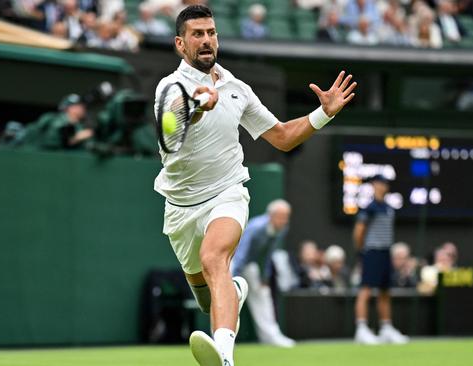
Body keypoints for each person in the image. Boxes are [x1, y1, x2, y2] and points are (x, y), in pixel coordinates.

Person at [153, 5, 356, 366]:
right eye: (197, 34)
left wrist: (323, 113)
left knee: (215, 259)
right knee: (207, 296)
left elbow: (281, 137)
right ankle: (233, 293)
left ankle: (225, 358)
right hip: (180, 208)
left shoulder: (238, 89)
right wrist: (198, 104)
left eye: (211, 33)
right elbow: (171, 127)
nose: (206, 40)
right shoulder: (170, 87)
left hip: (227, 192)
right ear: (180, 44)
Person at [230, 199, 295, 348]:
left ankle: (270, 336)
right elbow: (241, 253)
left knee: (263, 294)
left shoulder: (281, 230)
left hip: (250, 264)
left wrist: (264, 277)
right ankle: (223, 338)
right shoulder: (256, 227)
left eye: (286, 217)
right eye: (281, 217)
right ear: (271, 215)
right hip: (233, 261)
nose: (285, 220)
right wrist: (233, 277)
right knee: (230, 298)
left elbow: (267, 254)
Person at [352, 175, 408, 345]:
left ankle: (386, 328)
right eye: (379, 183)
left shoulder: (389, 208)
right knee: (366, 289)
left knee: (385, 291)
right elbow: (359, 232)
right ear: (374, 186)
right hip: (372, 252)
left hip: (385, 253)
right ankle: (361, 329)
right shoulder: (369, 208)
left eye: (384, 184)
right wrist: (362, 250)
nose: (382, 186)